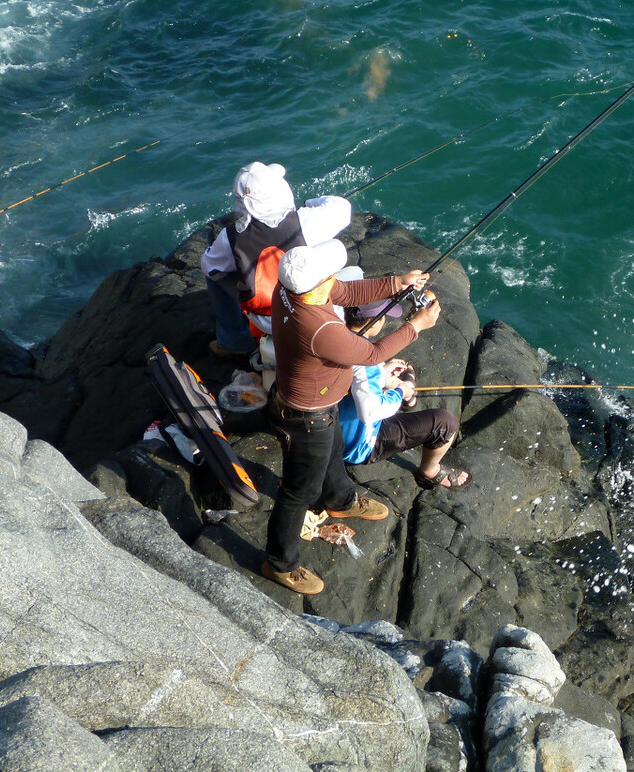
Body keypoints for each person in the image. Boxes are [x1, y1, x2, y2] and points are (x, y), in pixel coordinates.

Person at [263, 239, 440, 595]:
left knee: (332, 454)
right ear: (314, 284)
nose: (332, 277)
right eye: (326, 273)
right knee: (300, 491)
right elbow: (373, 353)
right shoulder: (320, 329)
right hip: (305, 416)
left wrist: (396, 283)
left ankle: (342, 501)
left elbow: (344, 290)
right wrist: (416, 326)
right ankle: (279, 563)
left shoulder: (289, 288)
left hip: (320, 404)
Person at [200, 161, 351, 360]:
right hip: (310, 311)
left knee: (215, 276)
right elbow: (342, 206)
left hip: (266, 319)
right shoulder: (306, 221)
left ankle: (234, 343)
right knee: (335, 252)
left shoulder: (230, 236)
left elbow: (208, 266)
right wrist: (309, 204)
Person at [336, 270, 470, 490]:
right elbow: (369, 411)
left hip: (324, 428)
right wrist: (400, 391)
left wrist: (381, 373)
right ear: (373, 320)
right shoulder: (363, 359)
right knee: (446, 423)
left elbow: (353, 377)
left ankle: (408, 396)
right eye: (384, 314)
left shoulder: (332, 335)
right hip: (355, 446)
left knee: (392, 375)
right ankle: (429, 472)